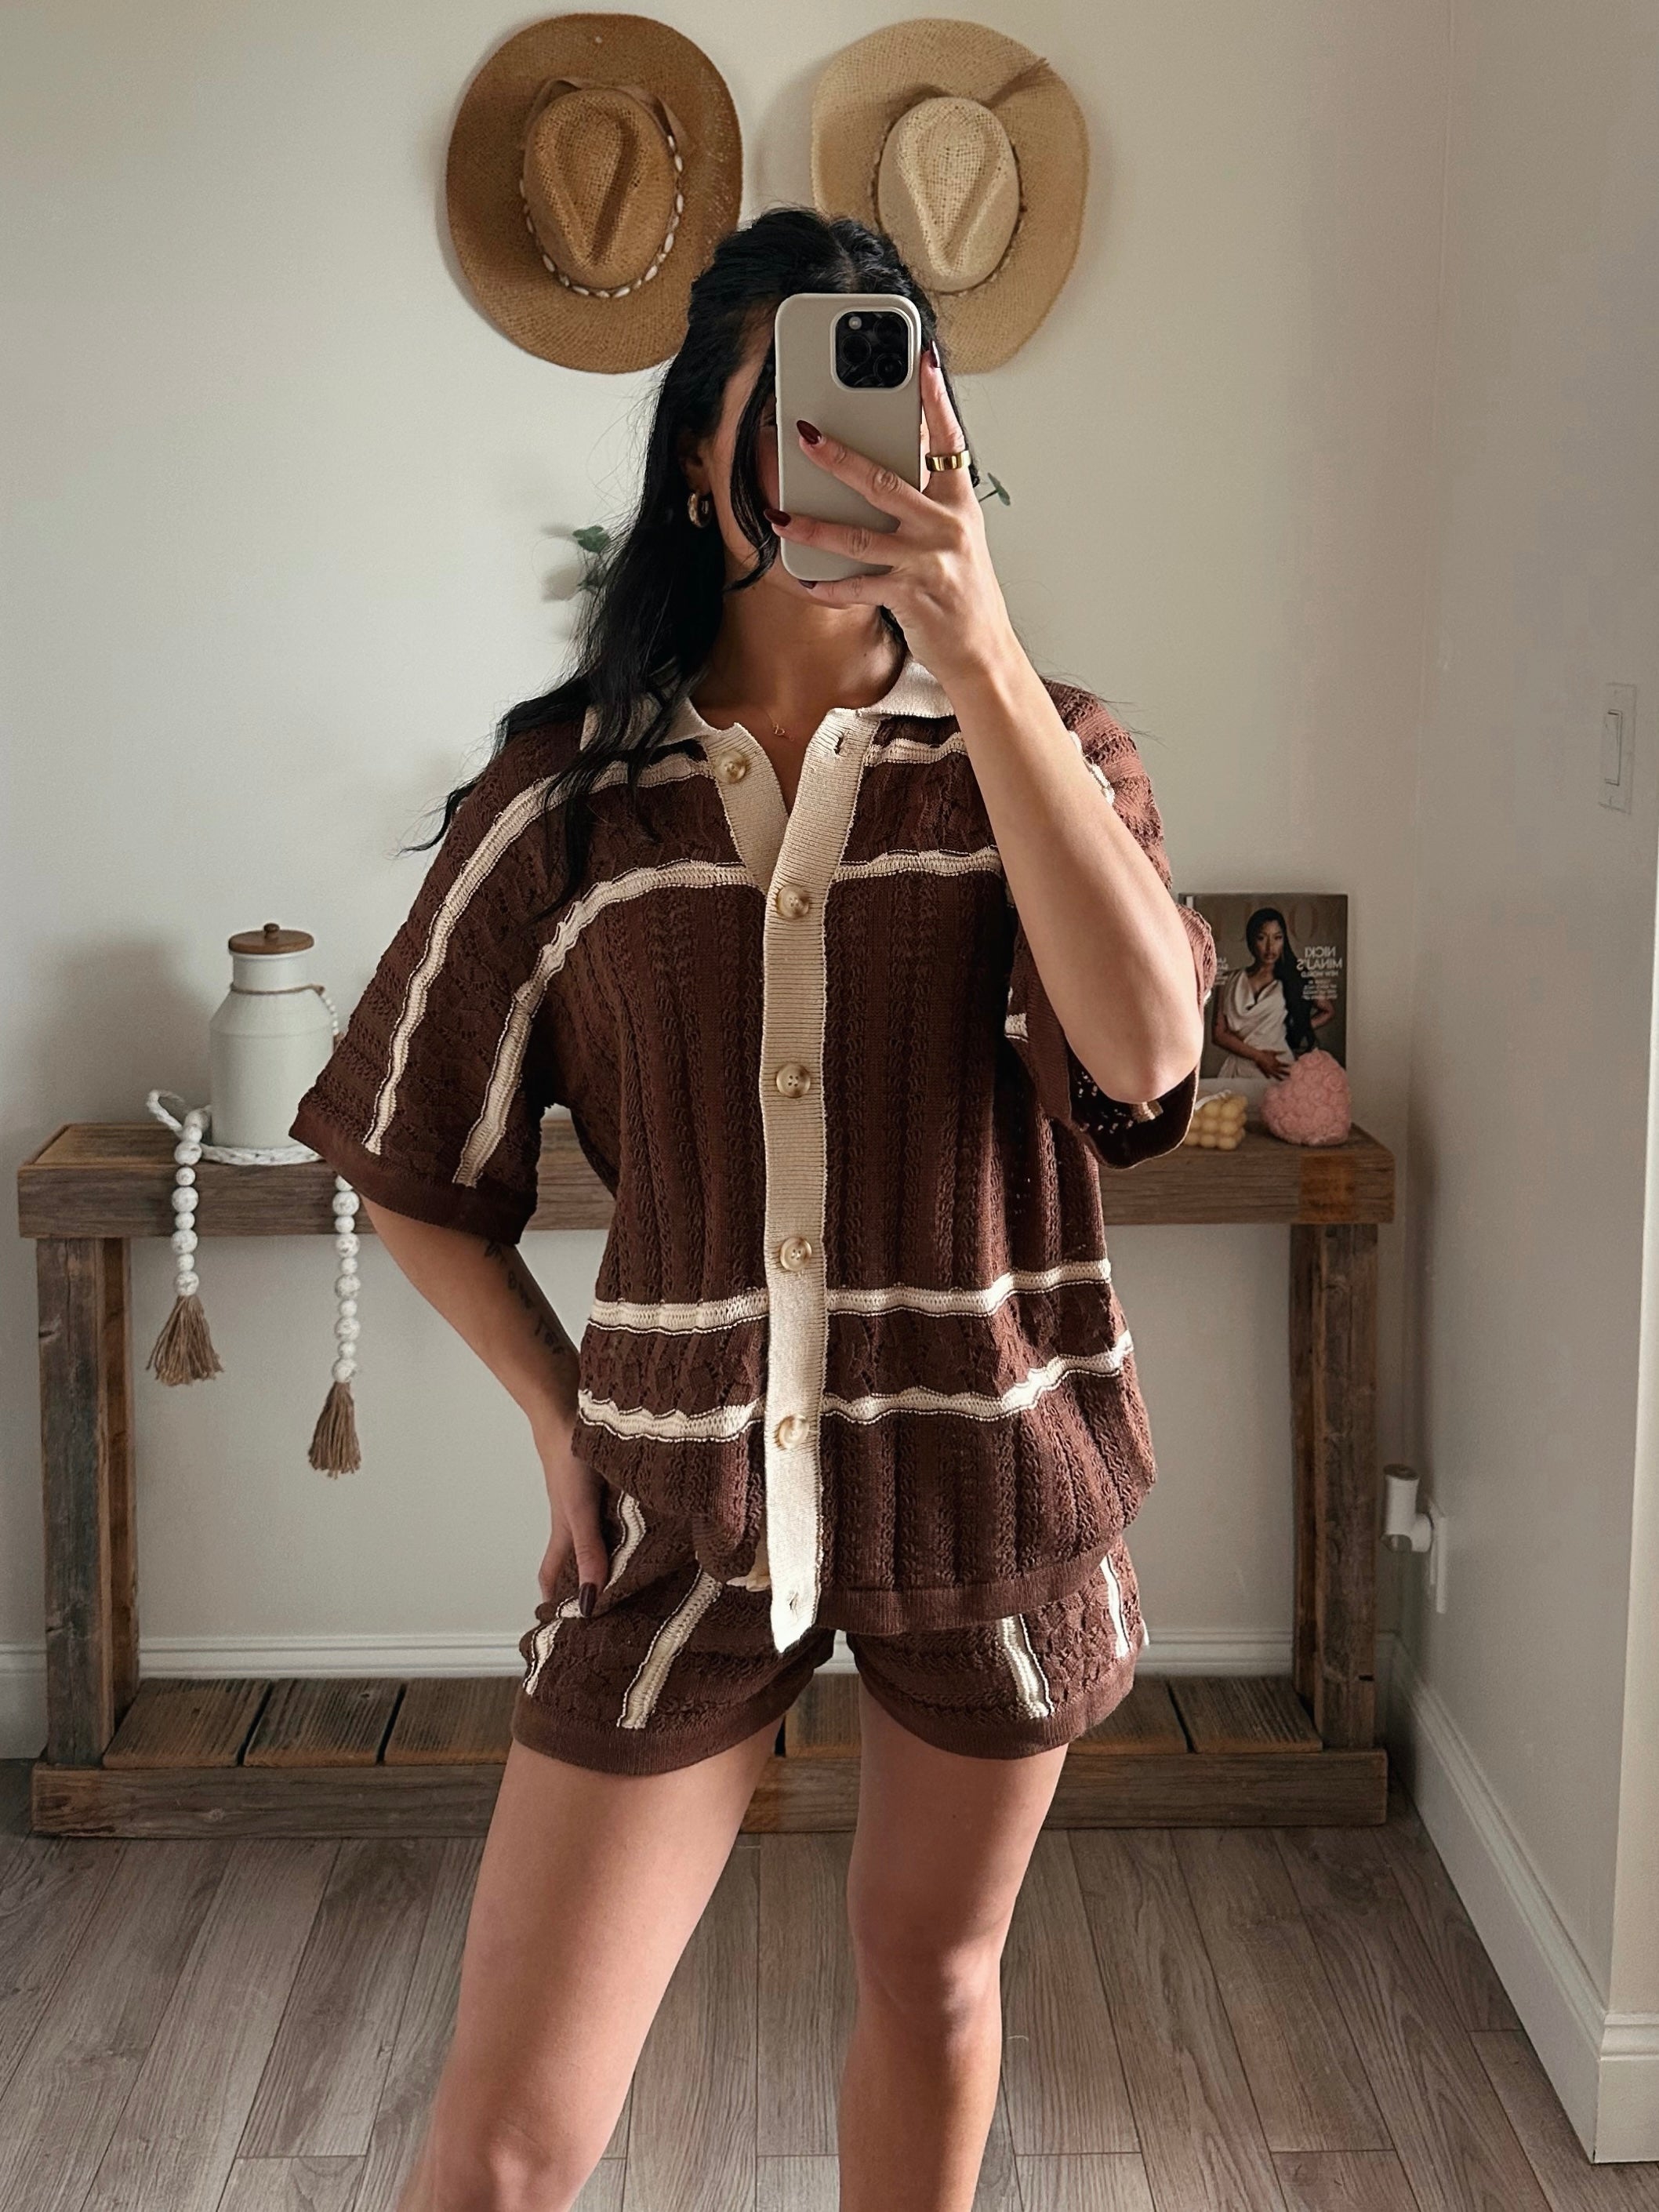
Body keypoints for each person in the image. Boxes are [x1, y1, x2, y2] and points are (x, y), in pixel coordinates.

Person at [291, 207, 1214, 2212]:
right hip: (678, 1500)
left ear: (949, 451)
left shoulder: (1045, 756)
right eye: (788, 416)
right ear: (701, 464)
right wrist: (559, 1415)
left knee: (931, 1977)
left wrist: (983, 664)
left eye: (891, 416)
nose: (840, 460)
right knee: (504, 2146)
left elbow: (1145, 1064)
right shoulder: (567, 803)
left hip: (987, 1477)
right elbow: (405, 1151)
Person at [1211, 903, 1333, 1081]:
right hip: (1237, 1070)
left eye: (1277, 938)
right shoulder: (1228, 979)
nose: (1270, 947)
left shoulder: (1295, 978)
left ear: (1284, 940)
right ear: (1251, 940)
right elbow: (1218, 1035)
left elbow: (1328, 1011)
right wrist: (1260, 1057)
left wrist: (1296, 1028)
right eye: (1262, 938)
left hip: (1280, 1067)